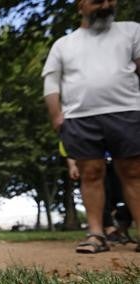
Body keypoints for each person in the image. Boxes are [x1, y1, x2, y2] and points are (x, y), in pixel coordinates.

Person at [42, 0, 140, 253]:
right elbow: (51, 82)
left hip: (127, 111)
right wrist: (56, 115)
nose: (106, 5)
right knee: (90, 173)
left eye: (110, 0)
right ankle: (96, 233)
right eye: (98, 1)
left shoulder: (131, 31)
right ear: (80, 6)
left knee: (133, 172)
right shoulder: (64, 44)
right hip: (81, 116)